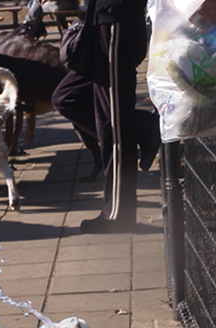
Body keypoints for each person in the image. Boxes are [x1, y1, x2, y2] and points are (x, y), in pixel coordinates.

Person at [51, 0, 159, 233]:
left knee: (116, 131)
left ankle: (119, 214)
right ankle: (143, 127)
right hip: (98, 22)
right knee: (66, 97)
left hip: (115, 21)